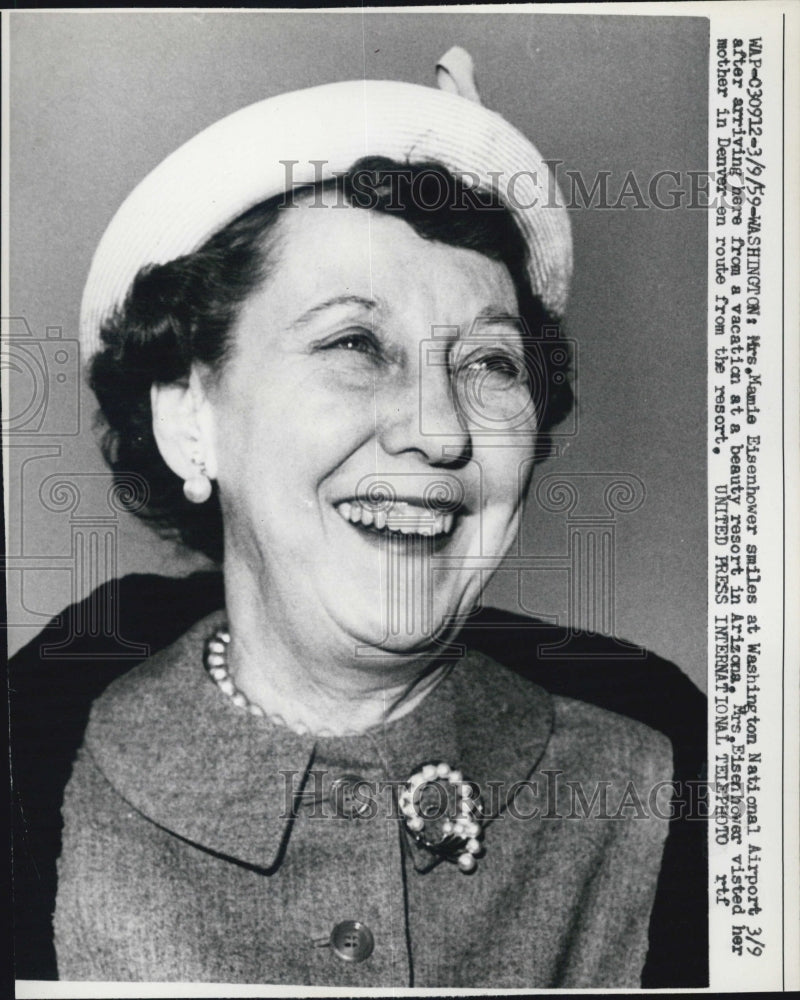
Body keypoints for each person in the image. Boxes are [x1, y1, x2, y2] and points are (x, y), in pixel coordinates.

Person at [14, 48, 706, 988]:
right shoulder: (38, 778)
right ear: (188, 418)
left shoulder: (675, 795)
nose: (439, 431)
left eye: (490, 364)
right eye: (353, 343)